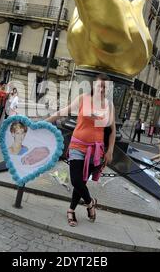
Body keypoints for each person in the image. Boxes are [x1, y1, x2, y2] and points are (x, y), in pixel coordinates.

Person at [46, 74, 116, 227]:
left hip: (96, 150)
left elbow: (112, 131)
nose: (102, 89)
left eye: (105, 86)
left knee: (82, 182)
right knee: (76, 179)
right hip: (78, 145)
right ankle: (91, 203)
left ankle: (71, 210)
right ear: (94, 86)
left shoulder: (108, 105)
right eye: (100, 86)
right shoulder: (83, 99)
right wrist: (44, 122)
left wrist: (110, 150)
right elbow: (62, 112)